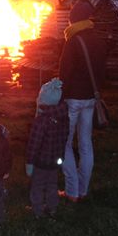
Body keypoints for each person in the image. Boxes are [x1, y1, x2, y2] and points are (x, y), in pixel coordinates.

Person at [58, 0, 107, 202]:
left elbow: (64, 75)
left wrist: (59, 98)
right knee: (86, 144)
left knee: (64, 144)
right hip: (90, 100)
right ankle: (83, 189)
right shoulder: (98, 41)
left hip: (72, 101)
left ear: (74, 19)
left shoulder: (73, 42)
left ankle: (72, 191)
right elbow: (103, 72)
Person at [25, 78, 69, 218]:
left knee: (37, 186)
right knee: (52, 185)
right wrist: (60, 158)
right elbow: (63, 139)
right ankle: (53, 208)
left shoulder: (41, 121)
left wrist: (30, 163)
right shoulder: (63, 119)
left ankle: (37, 210)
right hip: (55, 161)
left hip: (40, 163)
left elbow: (34, 144)